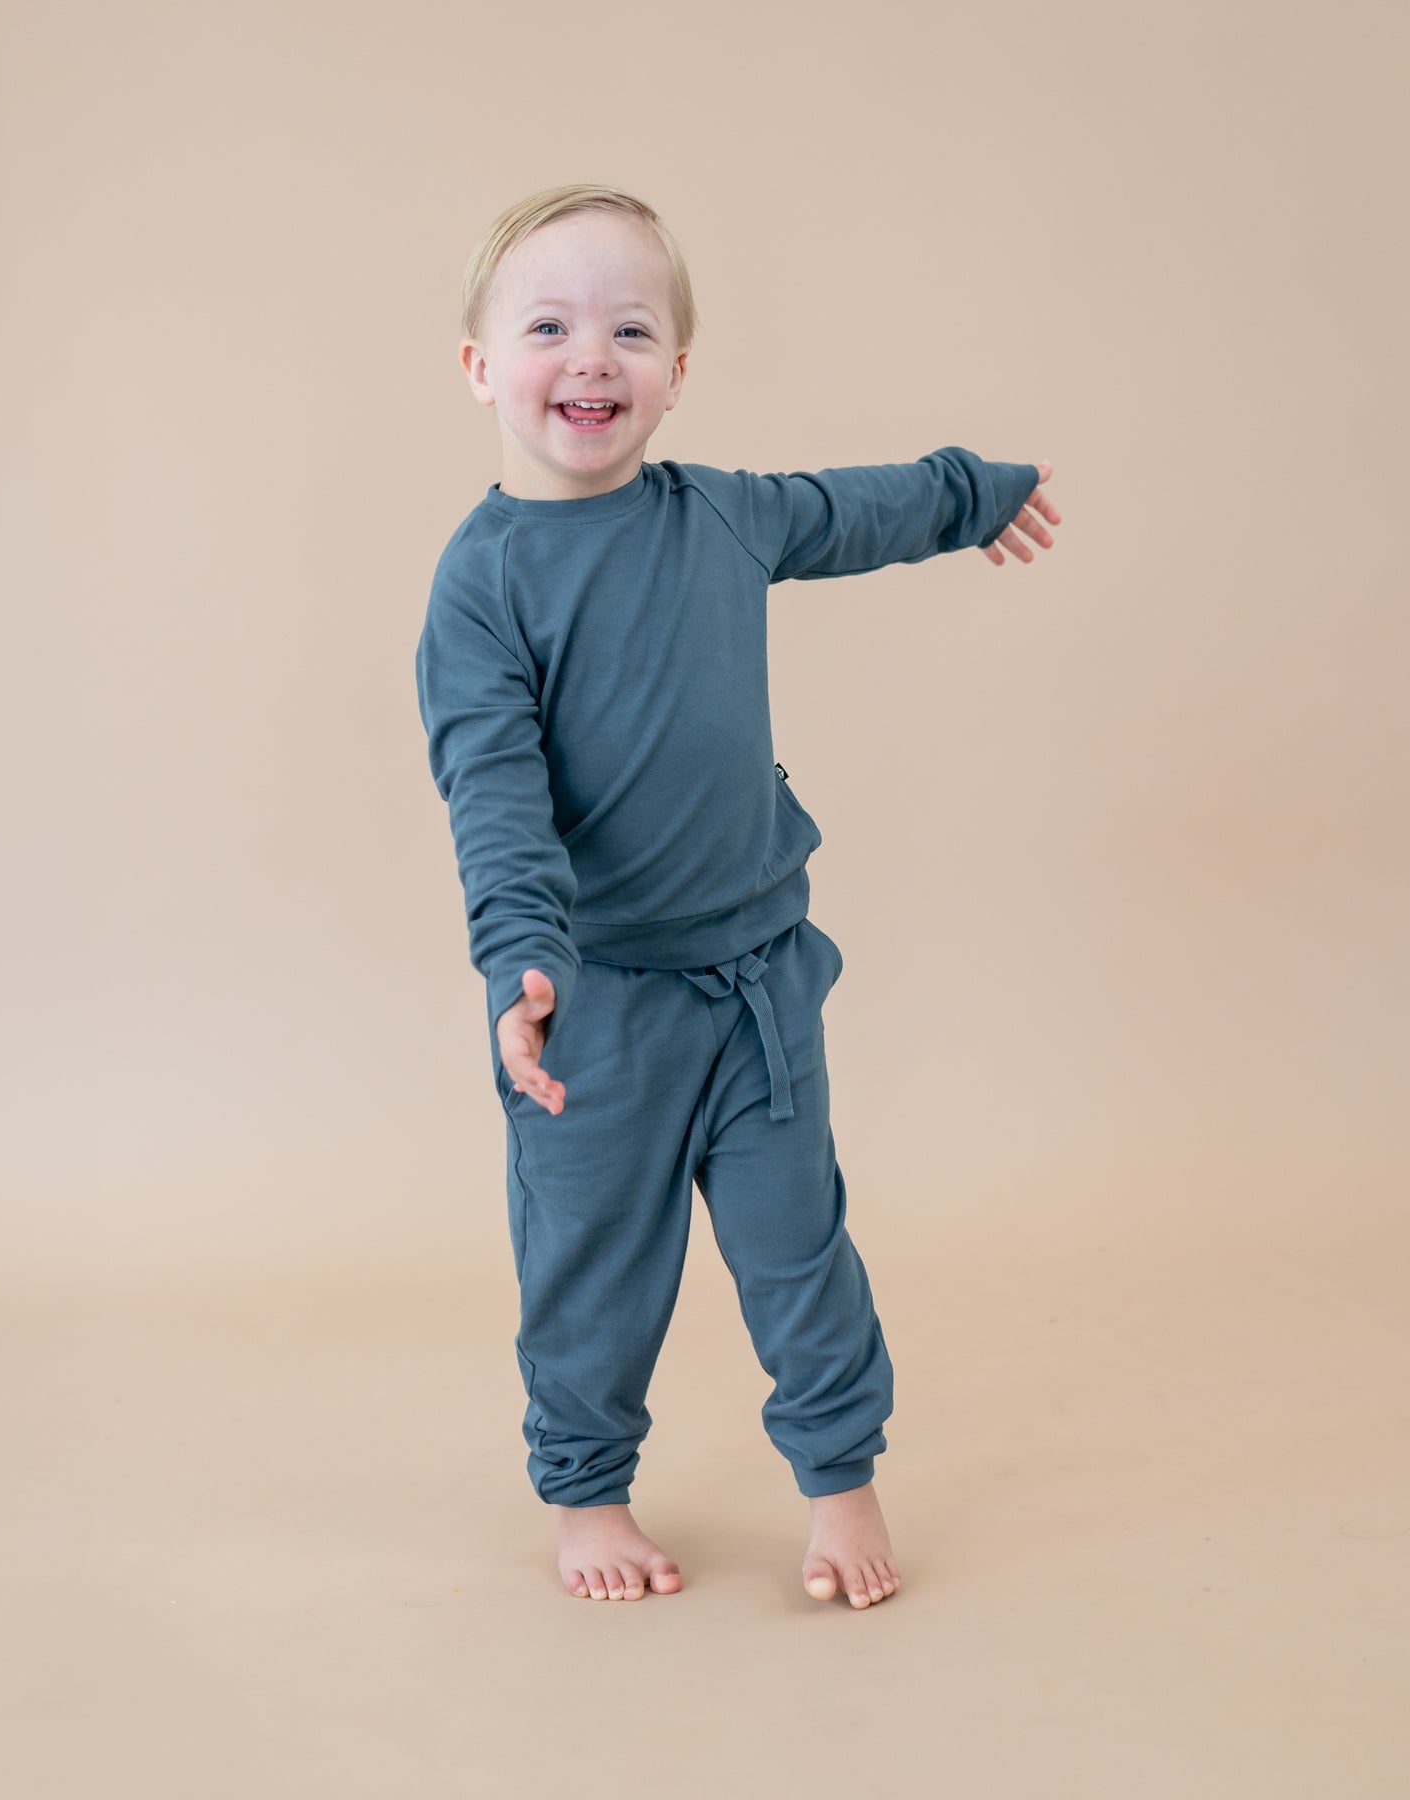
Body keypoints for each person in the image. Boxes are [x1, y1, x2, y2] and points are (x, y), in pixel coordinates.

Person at [415, 183, 1060, 1608]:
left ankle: (842, 1484)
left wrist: (978, 492)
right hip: (596, 1011)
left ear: (677, 372)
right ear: (478, 366)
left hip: (761, 980)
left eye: (630, 330)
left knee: (798, 1246)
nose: (592, 357)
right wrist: (521, 968)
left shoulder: (721, 515)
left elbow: (863, 508)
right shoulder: (483, 587)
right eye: (547, 327)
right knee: (593, 1270)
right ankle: (589, 1499)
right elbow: (495, 798)